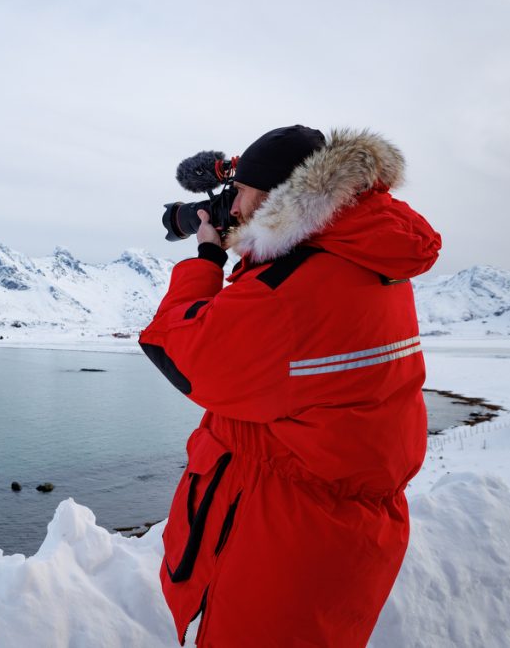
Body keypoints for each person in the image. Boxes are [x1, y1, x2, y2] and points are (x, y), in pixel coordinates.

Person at [139, 125, 442, 647]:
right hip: (341, 535)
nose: (235, 209)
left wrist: (207, 260)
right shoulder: (370, 257)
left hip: (280, 541)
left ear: (283, 196)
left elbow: (178, 348)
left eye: (244, 194)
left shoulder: (286, 292)